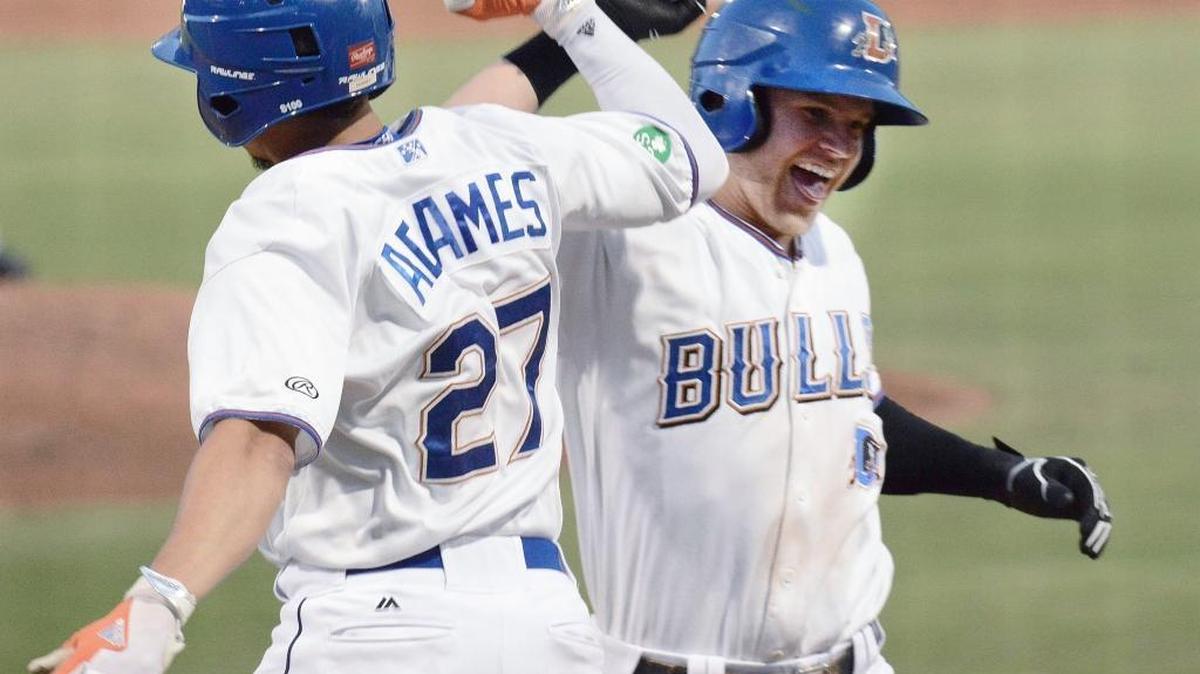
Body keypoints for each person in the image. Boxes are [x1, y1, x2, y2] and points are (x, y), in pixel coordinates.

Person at [26, 1, 727, 673]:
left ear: (236, 93)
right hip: (549, 626)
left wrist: (159, 602)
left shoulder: (281, 216)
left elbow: (256, 439)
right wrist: (572, 15)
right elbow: (697, 160)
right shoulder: (501, 144)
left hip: (376, 631)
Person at [449, 1, 1114, 673]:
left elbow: (851, 422)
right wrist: (576, 28)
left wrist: (1001, 475)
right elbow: (444, 167)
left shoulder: (835, 257)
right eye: (816, 115)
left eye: (857, 126)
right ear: (732, 98)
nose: (839, 147)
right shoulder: (619, 240)